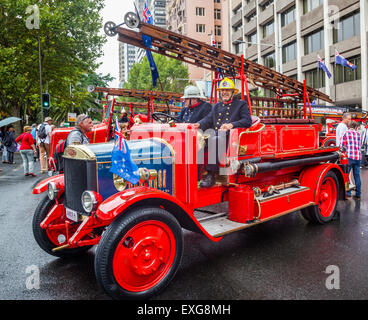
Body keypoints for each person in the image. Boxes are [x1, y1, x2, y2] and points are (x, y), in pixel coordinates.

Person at [194, 77, 252, 187]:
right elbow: (208, 119)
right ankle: (195, 175)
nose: (224, 92)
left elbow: (247, 121)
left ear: (232, 92)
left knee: (215, 138)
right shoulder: (216, 106)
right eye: (222, 91)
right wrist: (198, 124)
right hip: (217, 136)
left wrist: (231, 125)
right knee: (196, 138)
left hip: (231, 138)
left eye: (227, 90)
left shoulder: (241, 104)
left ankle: (211, 175)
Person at [341, 121, 362, 200]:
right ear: (355, 126)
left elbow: (341, 145)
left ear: (348, 126)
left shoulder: (345, 133)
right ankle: (358, 195)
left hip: (349, 157)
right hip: (358, 157)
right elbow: (361, 144)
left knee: (346, 176)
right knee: (357, 176)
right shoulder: (358, 134)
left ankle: (348, 193)